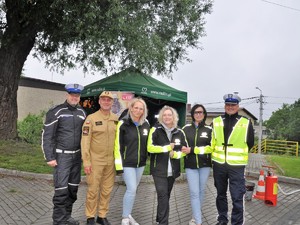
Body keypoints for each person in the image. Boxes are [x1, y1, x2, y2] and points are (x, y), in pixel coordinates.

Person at [42, 83, 86, 225]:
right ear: (67, 95)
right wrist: (50, 157)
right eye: (72, 95)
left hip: (77, 157)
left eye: (77, 95)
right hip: (62, 157)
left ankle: (67, 217)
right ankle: (59, 221)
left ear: (79, 97)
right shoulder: (56, 111)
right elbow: (47, 136)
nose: (74, 97)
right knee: (61, 190)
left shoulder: (82, 113)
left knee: (73, 190)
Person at [211, 93, 254, 225]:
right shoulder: (216, 121)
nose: (230, 107)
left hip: (237, 166)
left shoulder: (246, 122)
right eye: (228, 104)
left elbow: (250, 143)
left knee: (237, 196)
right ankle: (222, 219)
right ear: (225, 106)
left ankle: (236, 222)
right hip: (219, 165)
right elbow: (212, 141)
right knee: (220, 195)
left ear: (238, 106)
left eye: (233, 105)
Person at [81, 91, 119, 225]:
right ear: (99, 101)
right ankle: (90, 216)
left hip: (111, 161)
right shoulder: (91, 118)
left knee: (107, 189)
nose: (106, 102)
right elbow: (85, 142)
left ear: (112, 102)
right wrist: (86, 161)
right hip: (95, 160)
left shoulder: (115, 119)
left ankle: (102, 215)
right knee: (93, 189)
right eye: (104, 99)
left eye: (109, 100)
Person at [147, 105, 188, 225]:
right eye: (164, 115)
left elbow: (185, 150)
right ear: (161, 117)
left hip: (173, 171)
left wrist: (176, 155)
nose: (167, 117)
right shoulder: (155, 130)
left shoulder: (179, 131)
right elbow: (150, 148)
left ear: (174, 117)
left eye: (169, 115)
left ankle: (160, 217)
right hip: (159, 170)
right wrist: (166, 148)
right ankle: (163, 222)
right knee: (163, 195)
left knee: (166, 196)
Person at [114, 98, 150, 225]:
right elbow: (117, 146)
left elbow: (148, 144)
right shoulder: (123, 123)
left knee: (133, 190)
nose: (138, 111)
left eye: (141, 108)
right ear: (131, 108)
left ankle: (128, 215)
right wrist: (119, 166)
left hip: (140, 163)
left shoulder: (146, 124)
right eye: (136, 108)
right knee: (131, 189)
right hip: (127, 163)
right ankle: (125, 217)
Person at [182, 104, 212, 225]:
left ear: (204, 114)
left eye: (201, 112)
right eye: (196, 112)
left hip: (205, 165)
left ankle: (195, 217)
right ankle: (198, 221)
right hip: (190, 165)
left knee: (201, 191)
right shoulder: (185, 129)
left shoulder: (210, 130)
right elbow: (181, 145)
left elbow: (211, 148)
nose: (198, 114)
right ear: (192, 114)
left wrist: (193, 150)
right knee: (194, 192)